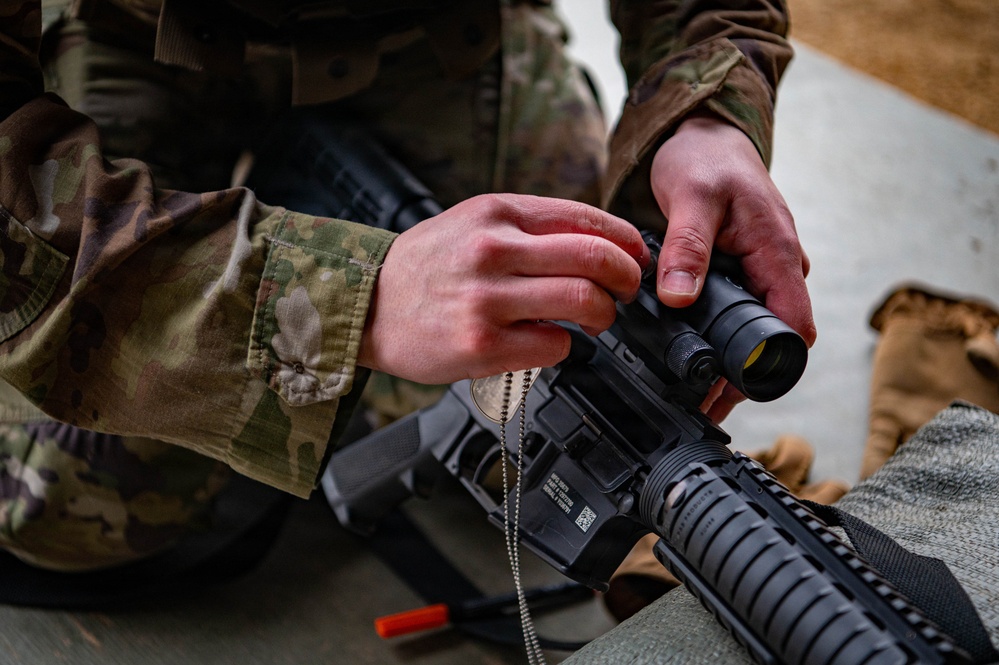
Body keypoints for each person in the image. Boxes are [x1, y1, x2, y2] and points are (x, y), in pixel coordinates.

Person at [0, 0, 811, 571]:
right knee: (74, 507)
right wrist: (347, 294)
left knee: (564, 343)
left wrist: (705, 110)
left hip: (431, 33)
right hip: (135, 34)